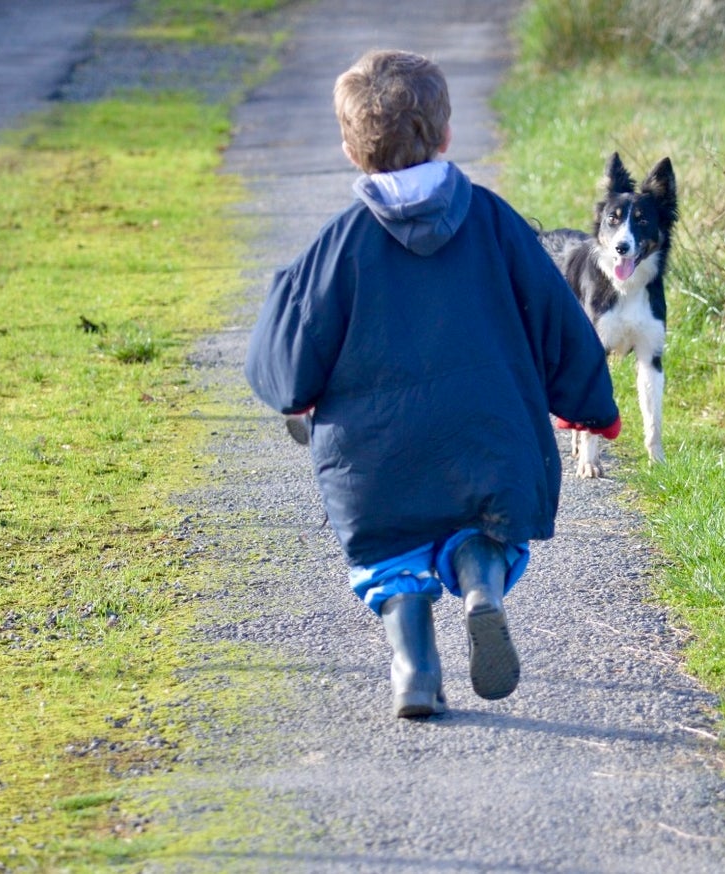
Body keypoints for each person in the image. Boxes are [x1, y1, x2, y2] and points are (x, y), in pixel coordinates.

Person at [245, 49, 621, 719]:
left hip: (374, 457)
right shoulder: (496, 224)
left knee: (391, 557)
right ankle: (481, 584)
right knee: (484, 524)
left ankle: (414, 666)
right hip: (487, 434)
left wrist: (294, 394)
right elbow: (557, 318)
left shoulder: (338, 247)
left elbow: (287, 355)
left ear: (350, 149)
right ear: (447, 136)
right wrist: (593, 405)